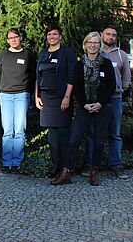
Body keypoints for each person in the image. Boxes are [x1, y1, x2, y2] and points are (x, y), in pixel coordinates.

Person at [51, 32, 115, 186]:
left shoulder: (106, 64)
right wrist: (85, 104)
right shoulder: (79, 65)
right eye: (90, 43)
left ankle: (94, 173)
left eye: (96, 43)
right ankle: (66, 173)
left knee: (99, 141)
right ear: (85, 45)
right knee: (74, 140)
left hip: (102, 107)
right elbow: (76, 87)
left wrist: (99, 103)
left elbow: (111, 86)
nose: (93, 45)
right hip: (83, 107)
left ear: (100, 45)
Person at [83, 25, 131, 179]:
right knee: (92, 133)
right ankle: (90, 165)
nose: (111, 37)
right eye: (108, 34)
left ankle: (116, 165)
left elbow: (126, 78)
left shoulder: (121, 55)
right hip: (96, 99)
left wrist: (120, 90)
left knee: (115, 134)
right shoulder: (95, 52)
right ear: (101, 35)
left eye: (114, 35)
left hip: (115, 99)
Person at [35, 24, 76, 178]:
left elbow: (72, 76)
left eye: (54, 34)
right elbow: (37, 76)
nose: (52, 37)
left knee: (63, 132)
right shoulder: (43, 53)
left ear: (60, 36)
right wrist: (37, 95)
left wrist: (67, 97)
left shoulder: (67, 53)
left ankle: (66, 168)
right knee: (52, 133)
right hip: (46, 98)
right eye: (49, 35)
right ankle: (55, 165)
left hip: (61, 97)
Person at [0, 28, 36, 173]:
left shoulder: (28, 55)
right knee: (7, 130)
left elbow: (32, 76)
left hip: (21, 95)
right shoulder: (2, 55)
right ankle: (7, 162)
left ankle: (17, 162)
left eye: (16, 37)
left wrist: (28, 91)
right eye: (10, 38)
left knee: (19, 130)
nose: (13, 40)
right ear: (7, 40)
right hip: (5, 95)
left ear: (20, 38)